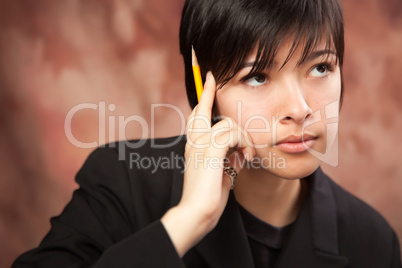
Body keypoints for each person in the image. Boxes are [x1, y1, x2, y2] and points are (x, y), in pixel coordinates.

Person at [13, 0, 401, 267]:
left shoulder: (372, 242)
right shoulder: (121, 182)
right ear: (206, 93)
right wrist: (189, 220)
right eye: (257, 77)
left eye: (320, 68)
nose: (300, 109)